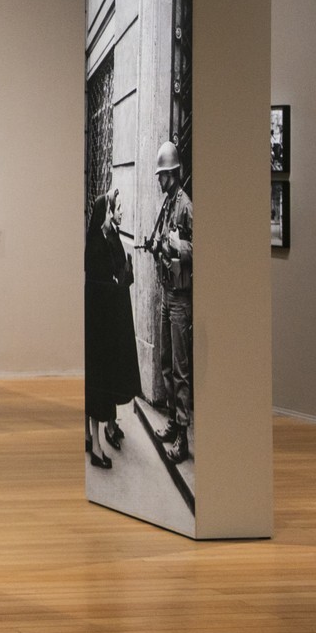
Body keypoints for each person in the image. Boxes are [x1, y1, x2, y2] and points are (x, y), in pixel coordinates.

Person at [85, 187, 142, 470]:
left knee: (101, 384)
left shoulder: (106, 238)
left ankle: (97, 436)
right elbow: (100, 284)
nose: (113, 215)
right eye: (110, 211)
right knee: (97, 386)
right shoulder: (96, 243)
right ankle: (95, 446)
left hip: (104, 323)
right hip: (98, 327)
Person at [144, 141, 193, 464]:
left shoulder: (186, 205)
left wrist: (179, 244)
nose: (158, 180)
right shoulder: (167, 204)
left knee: (180, 370)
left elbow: (196, 249)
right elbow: (165, 241)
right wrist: (158, 244)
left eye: (162, 175)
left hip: (180, 297)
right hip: (166, 292)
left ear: (172, 174)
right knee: (164, 360)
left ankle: (184, 439)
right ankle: (174, 425)